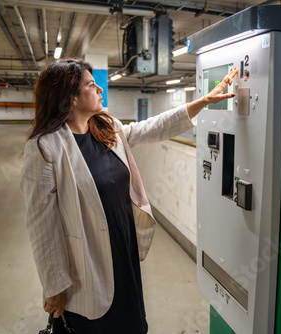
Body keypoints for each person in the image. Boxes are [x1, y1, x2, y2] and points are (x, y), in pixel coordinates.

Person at [20, 58, 238, 334]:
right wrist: (54, 286)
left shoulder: (106, 127)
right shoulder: (45, 148)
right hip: (86, 262)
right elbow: (41, 226)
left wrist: (204, 101)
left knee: (132, 324)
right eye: (90, 85)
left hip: (122, 248)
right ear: (70, 98)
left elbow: (152, 127)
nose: (99, 89)